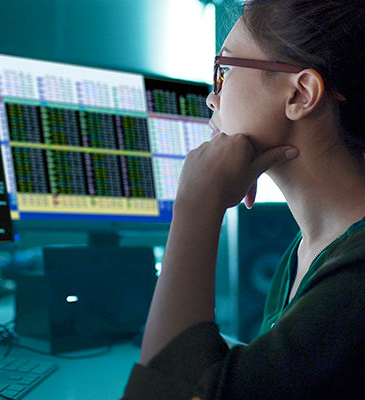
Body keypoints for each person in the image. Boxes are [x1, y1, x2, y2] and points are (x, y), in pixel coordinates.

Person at [122, 0, 365, 398]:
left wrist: (196, 205)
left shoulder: (354, 282)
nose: (211, 99)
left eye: (226, 70)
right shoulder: (305, 249)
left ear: (300, 94)